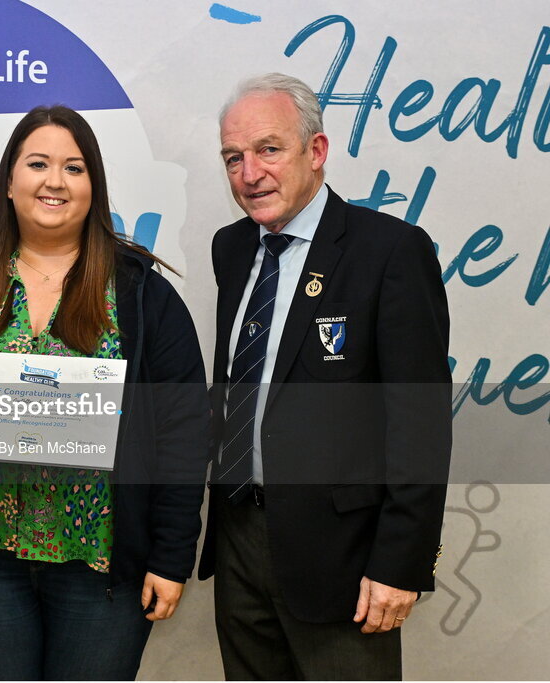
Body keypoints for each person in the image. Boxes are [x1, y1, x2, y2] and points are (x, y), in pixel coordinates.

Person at [0, 105, 210, 680]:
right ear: (10, 182)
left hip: (101, 567)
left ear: (93, 186)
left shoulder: (141, 297)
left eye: (74, 167)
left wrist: (172, 555)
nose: (54, 181)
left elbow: (183, 436)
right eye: (38, 163)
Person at [197, 73, 452, 680]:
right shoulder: (231, 250)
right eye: (234, 158)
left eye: (268, 150)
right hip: (238, 543)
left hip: (345, 565)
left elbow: (421, 427)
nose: (249, 173)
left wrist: (401, 563)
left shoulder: (390, 251)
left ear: (316, 151)